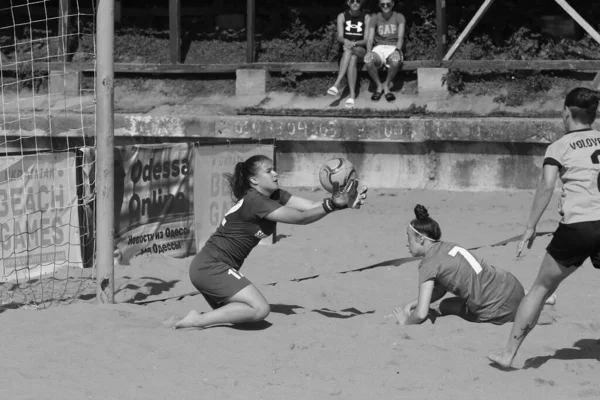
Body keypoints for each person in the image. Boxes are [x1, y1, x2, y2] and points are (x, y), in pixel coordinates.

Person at [174, 155, 368, 329]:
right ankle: (196, 320)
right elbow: (300, 219)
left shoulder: (273, 195)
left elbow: (309, 207)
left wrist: (343, 203)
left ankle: (176, 321)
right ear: (254, 180)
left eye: (274, 169)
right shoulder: (255, 201)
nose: (275, 173)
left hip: (213, 267)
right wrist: (334, 203)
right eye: (269, 171)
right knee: (260, 309)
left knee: (243, 313)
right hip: (211, 267)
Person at [488, 87, 600, 369]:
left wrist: (530, 227)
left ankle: (509, 354)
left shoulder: (559, 146)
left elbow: (547, 186)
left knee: (540, 289)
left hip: (577, 227)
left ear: (566, 113)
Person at [394, 205, 555, 326]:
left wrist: (405, 322)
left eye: (408, 238)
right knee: (482, 283)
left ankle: (529, 317)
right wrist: (414, 302)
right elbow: (441, 288)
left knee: (445, 306)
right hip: (513, 285)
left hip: (499, 309)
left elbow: (421, 314)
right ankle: (537, 297)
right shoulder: (448, 246)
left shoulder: (428, 264)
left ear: (421, 239)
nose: (407, 244)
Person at [327, 0, 370, 109]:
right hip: (348, 49)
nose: (355, 3)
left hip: (361, 49)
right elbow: (339, 37)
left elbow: (366, 40)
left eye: (358, 1)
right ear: (348, 3)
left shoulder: (366, 17)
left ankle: (337, 83)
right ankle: (352, 96)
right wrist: (346, 41)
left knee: (350, 51)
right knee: (352, 58)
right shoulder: (342, 16)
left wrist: (353, 43)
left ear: (361, 3)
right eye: (352, 1)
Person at [364, 0, 405, 103]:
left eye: (388, 4)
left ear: (393, 4)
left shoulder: (399, 16)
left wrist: (397, 51)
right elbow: (369, 38)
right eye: (382, 4)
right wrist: (368, 51)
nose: (385, 6)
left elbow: (400, 37)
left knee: (395, 61)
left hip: (393, 47)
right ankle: (378, 86)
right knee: (368, 61)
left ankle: (386, 85)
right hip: (379, 47)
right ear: (379, 5)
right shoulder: (375, 17)